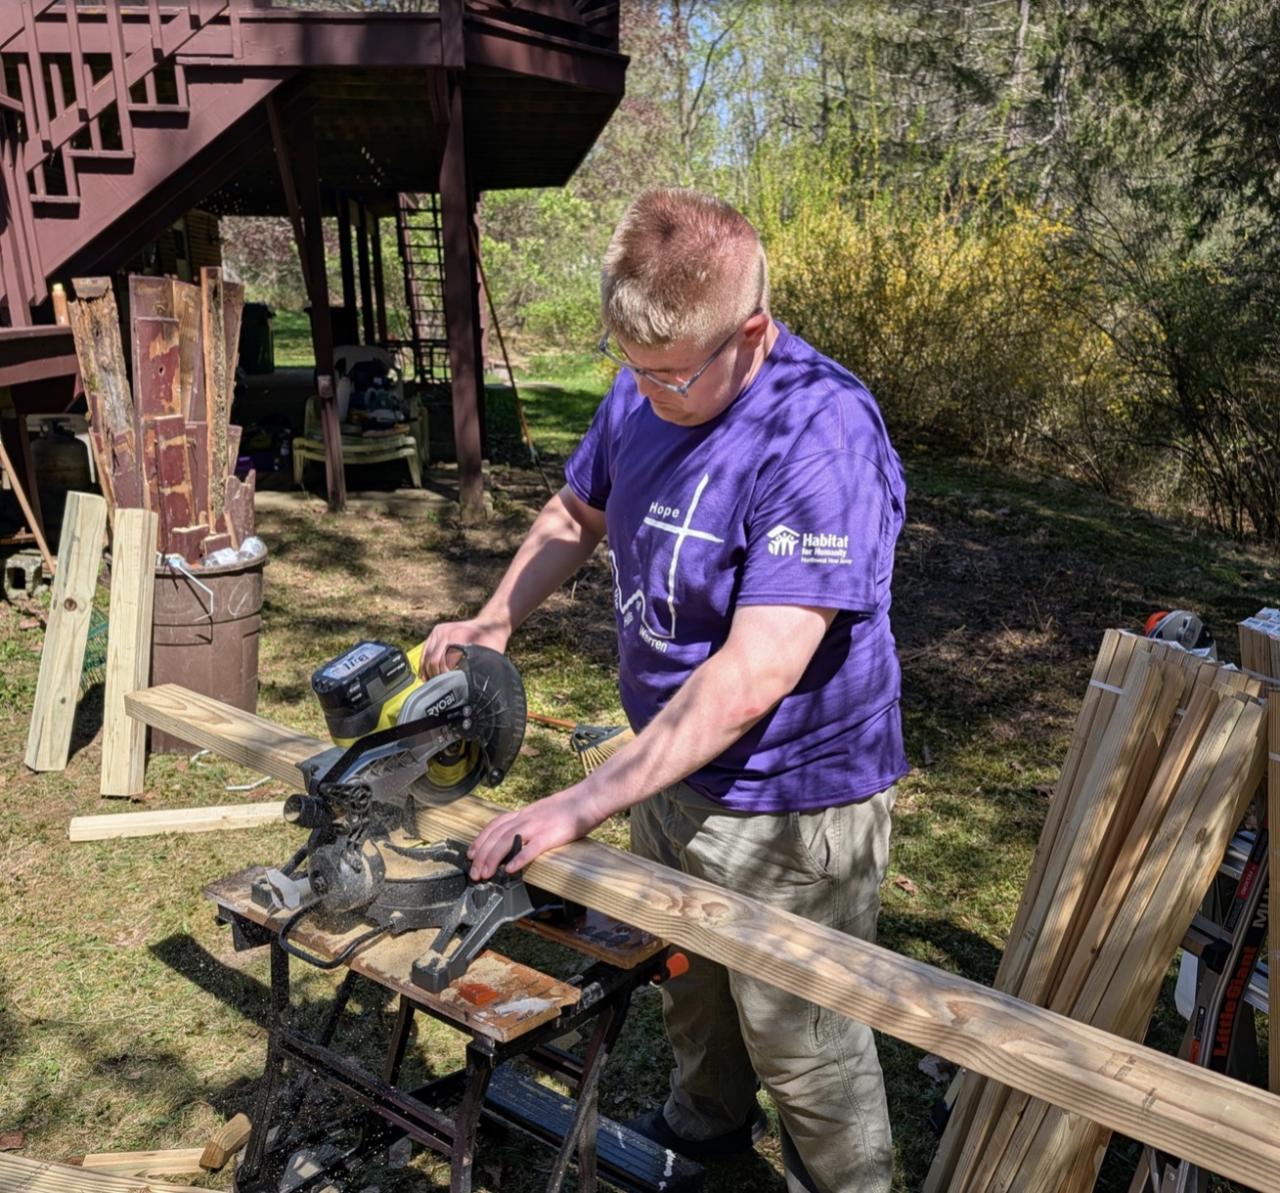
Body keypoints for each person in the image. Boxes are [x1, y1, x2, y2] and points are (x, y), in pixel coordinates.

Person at [419, 187, 907, 1193]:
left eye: (671, 374)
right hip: (668, 766)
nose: (647, 392)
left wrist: (581, 800)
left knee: (804, 1044)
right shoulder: (643, 386)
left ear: (751, 332)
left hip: (792, 799)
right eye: (631, 366)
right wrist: (495, 615)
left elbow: (757, 669)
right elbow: (575, 511)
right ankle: (704, 1130)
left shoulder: (821, 434)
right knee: (688, 977)